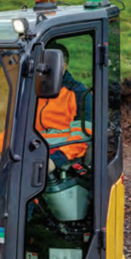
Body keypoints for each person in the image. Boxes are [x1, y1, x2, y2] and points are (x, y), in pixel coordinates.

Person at [37, 42, 91, 171]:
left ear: (62, 67)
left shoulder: (79, 94)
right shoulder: (34, 92)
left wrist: (55, 161)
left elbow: (81, 138)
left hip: (63, 160)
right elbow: (17, 129)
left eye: (46, 67)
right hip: (34, 152)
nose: (40, 71)